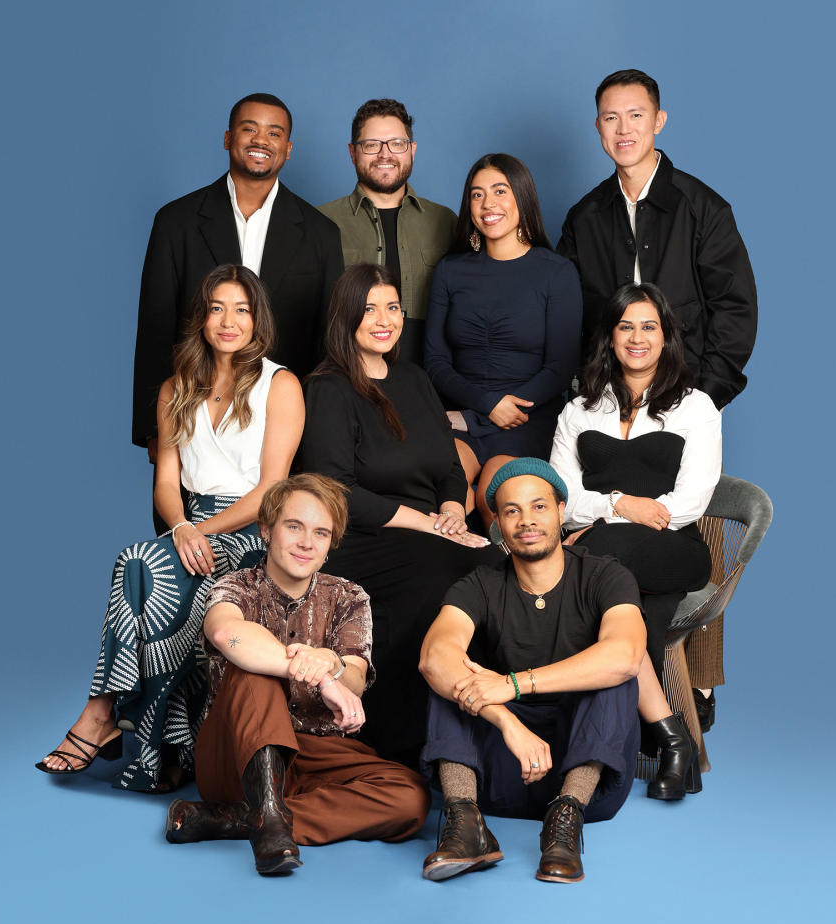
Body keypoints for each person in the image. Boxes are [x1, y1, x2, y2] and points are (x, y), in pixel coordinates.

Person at [37, 265, 304, 791]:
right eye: (217, 308)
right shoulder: (175, 388)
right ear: (202, 319)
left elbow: (273, 488)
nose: (229, 321)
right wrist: (182, 524)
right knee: (144, 564)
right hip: (191, 524)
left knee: (144, 564)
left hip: (253, 530)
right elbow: (166, 482)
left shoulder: (281, 384)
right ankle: (155, 742)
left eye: (242, 310)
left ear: (258, 320)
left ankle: (104, 716)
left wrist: (201, 531)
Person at [165, 473, 430, 875]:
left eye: (321, 533)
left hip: (315, 752)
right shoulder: (235, 585)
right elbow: (225, 631)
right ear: (266, 530)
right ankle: (265, 818)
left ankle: (241, 817)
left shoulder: (348, 596)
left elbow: (355, 678)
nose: (307, 542)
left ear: (330, 545)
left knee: (411, 799)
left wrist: (334, 663)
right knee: (255, 672)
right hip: (235, 755)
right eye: (294, 527)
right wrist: (316, 674)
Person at [300, 263, 503, 765]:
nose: (383, 319)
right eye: (369, 309)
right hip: (364, 538)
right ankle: (400, 740)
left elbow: (448, 466)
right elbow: (335, 491)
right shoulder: (328, 388)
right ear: (345, 318)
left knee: (497, 569)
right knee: (441, 571)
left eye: (392, 307)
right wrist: (431, 526)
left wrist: (454, 511)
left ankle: (480, 732)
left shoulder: (413, 379)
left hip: (433, 532)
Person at [418, 460, 644, 884]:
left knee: (613, 677)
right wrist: (505, 719)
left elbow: (626, 655)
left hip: (585, 773)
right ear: (498, 524)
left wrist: (511, 684)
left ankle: (563, 825)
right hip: (501, 772)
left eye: (538, 506)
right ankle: (466, 826)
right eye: (511, 511)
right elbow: (435, 657)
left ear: (561, 509)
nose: (527, 521)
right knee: (446, 681)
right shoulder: (480, 584)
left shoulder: (605, 575)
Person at [133, 92, 343, 531]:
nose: (260, 139)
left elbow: (329, 341)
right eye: (249, 128)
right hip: (196, 423)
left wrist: (321, 434)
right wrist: (151, 429)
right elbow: (155, 326)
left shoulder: (321, 233)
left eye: (275, 132)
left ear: (289, 148)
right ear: (228, 137)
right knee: (180, 562)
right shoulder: (176, 221)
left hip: (284, 431)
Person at [549, 282, 720, 799]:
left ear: (667, 337)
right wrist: (619, 505)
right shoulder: (579, 409)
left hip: (674, 549)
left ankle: (616, 741)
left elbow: (689, 501)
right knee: (621, 601)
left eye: (650, 326)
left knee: (590, 561)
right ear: (611, 337)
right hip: (613, 557)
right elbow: (560, 497)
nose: (637, 337)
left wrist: (600, 520)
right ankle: (673, 741)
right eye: (626, 326)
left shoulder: (696, 408)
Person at [557, 69, 756, 410]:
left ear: (658, 120)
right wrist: (583, 390)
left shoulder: (704, 208)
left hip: (687, 391)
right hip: (604, 398)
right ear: (598, 127)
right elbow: (562, 312)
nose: (623, 129)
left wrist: (705, 397)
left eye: (636, 115)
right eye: (611, 117)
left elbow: (735, 307)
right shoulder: (583, 217)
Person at [425, 153, 582, 529]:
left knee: (496, 495)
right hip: (464, 413)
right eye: (477, 195)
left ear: (522, 197)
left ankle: (513, 587)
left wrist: (490, 412)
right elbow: (435, 362)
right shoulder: (450, 270)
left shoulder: (556, 272)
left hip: (527, 419)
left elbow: (560, 368)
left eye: (500, 191)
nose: (487, 204)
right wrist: (485, 406)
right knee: (442, 490)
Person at [319, 98, 456, 364]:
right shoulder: (321, 221)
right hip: (347, 378)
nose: (385, 155)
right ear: (352, 152)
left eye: (397, 144)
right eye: (371, 145)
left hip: (429, 381)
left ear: (412, 150)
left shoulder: (446, 222)